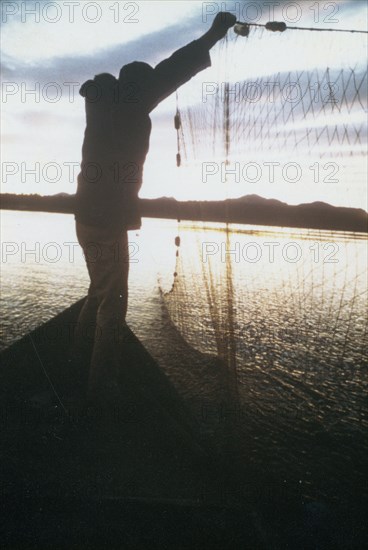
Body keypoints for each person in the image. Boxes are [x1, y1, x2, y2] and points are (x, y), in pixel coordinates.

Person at [73, 12, 237, 403]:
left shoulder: (100, 104)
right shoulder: (132, 104)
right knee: (113, 302)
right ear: (138, 87)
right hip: (109, 218)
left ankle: (77, 358)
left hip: (85, 215)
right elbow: (175, 67)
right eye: (148, 86)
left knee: (99, 291)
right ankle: (102, 387)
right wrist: (215, 33)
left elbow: (104, 84)